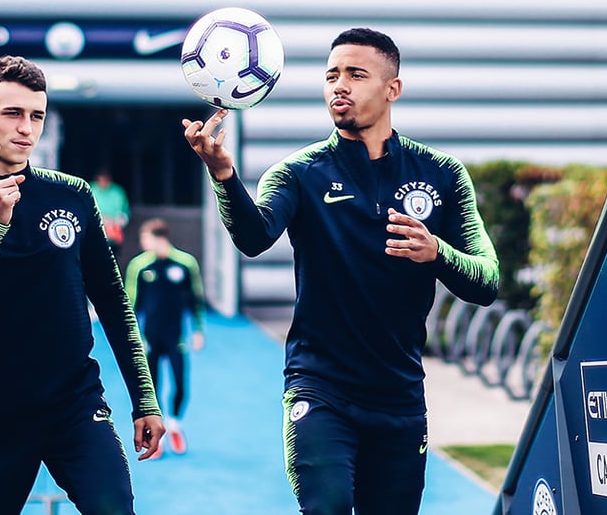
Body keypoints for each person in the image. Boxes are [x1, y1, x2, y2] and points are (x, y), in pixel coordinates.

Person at [182, 27, 499, 514]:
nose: (339, 86)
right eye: (331, 75)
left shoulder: (442, 173)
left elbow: (487, 281)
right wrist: (224, 175)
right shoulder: (299, 172)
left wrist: (437, 252)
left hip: (399, 396)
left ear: (392, 88)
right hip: (319, 387)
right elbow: (253, 237)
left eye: (356, 74)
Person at [0, 55, 164, 514]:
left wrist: (144, 399)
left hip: (75, 407)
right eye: (12, 113)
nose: (26, 128)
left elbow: (113, 302)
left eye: (36, 116)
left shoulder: (73, 195)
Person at [124, 218, 206, 457]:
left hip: (176, 336)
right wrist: (133, 338)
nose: (142, 243)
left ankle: (175, 424)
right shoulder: (139, 266)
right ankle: (155, 434)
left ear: (158, 238)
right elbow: (130, 305)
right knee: (152, 388)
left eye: (144, 239)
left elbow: (196, 300)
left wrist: (199, 331)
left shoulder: (185, 263)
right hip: (150, 338)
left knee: (181, 383)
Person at [89, 167, 131, 259]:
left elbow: (125, 213)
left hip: (113, 234)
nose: (103, 182)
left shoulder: (118, 192)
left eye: (106, 180)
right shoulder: (90, 189)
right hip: (95, 233)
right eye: (101, 179)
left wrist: (116, 221)